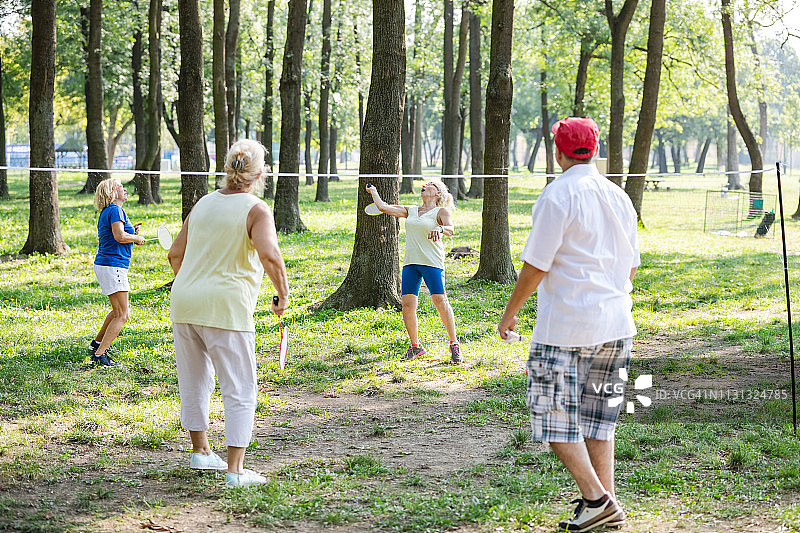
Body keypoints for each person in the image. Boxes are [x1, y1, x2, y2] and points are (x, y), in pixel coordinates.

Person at [497, 117, 639, 532]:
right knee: (599, 421)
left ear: (557, 152)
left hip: (566, 326)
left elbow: (536, 265)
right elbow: (630, 269)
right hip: (616, 324)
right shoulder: (619, 197)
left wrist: (510, 314)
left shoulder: (557, 195)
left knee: (551, 415)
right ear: (594, 150)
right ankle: (605, 506)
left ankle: (596, 499)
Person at [168, 139, 290, 488]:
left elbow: (175, 254)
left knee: (194, 380)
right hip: (226, 307)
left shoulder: (203, 203)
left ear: (227, 168)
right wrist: (282, 293)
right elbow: (269, 256)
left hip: (185, 302)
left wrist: (195, 283)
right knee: (239, 387)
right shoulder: (256, 209)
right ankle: (235, 471)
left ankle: (200, 451)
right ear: (260, 173)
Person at [366, 179, 461, 363]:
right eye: (425, 184)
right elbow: (384, 207)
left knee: (440, 301)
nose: (425, 185)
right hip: (411, 263)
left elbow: (451, 229)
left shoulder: (441, 211)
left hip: (432, 262)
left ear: (438, 193)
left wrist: (440, 228)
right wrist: (374, 192)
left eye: (431, 184)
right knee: (408, 306)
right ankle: (416, 346)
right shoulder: (411, 210)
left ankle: (454, 344)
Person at [90, 177, 145, 367]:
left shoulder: (110, 211)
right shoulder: (115, 210)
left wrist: (133, 233)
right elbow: (119, 236)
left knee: (116, 312)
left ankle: (96, 344)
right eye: (120, 186)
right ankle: (99, 355)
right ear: (112, 193)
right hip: (112, 266)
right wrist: (136, 238)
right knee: (122, 315)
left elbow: (120, 235)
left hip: (108, 265)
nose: (125, 189)